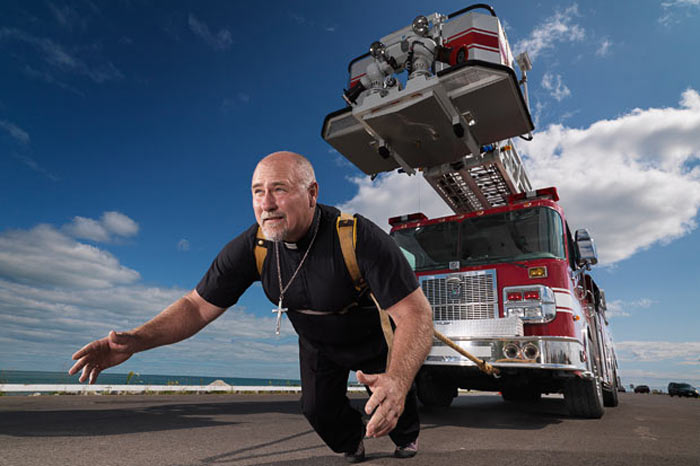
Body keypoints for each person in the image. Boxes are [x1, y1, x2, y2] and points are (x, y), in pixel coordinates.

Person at [69, 151, 434, 462]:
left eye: (279, 189)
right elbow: (195, 307)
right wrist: (136, 341)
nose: (266, 203)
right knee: (317, 410)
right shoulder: (253, 247)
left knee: (392, 400)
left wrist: (398, 380)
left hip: (368, 336)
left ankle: (407, 438)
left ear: (311, 193)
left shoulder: (356, 236)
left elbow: (415, 314)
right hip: (316, 342)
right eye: (258, 192)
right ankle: (353, 441)